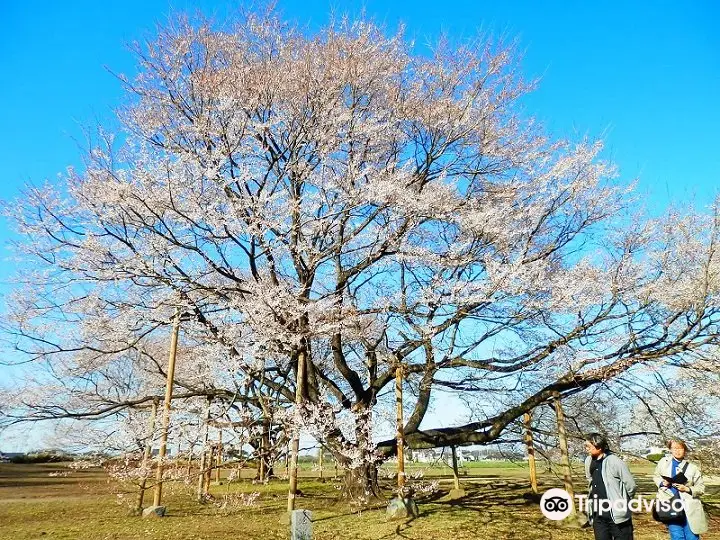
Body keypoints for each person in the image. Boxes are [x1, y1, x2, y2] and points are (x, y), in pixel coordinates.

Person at [584, 433, 637, 540]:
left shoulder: (615, 462)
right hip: (598, 514)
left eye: (589, 446)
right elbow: (590, 481)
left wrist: (623, 501)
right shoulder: (588, 461)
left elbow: (631, 485)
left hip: (617, 514)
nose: (586, 449)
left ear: (598, 446)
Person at [653, 439, 707, 539]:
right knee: (677, 537)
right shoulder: (663, 463)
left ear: (684, 450)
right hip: (671, 505)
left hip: (689, 508)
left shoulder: (693, 468)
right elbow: (656, 476)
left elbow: (701, 488)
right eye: (674, 448)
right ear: (670, 450)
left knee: (692, 537)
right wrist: (662, 483)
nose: (677, 451)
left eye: (680, 448)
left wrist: (687, 489)